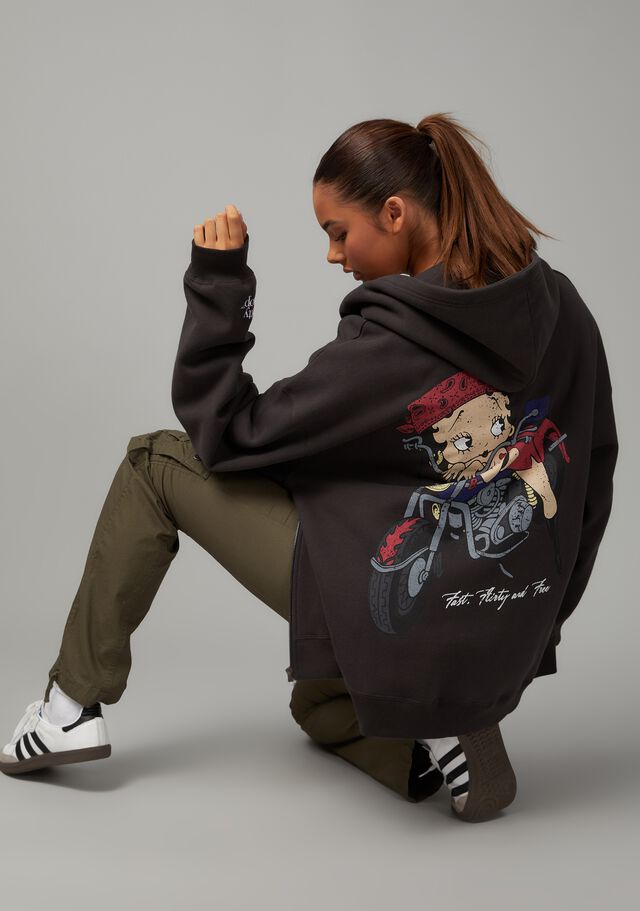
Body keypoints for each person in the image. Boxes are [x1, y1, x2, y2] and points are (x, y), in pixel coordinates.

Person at [0, 112, 618, 824]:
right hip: (504, 615)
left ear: (395, 213)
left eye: (338, 232)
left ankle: (68, 708)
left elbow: (230, 436)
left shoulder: (396, 339)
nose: (333, 255)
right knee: (320, 705)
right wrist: (540, 620)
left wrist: (219, 282)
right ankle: (440, 724)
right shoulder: (562, 306)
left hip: (408, 606)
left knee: (154, 461)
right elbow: (594, 471)